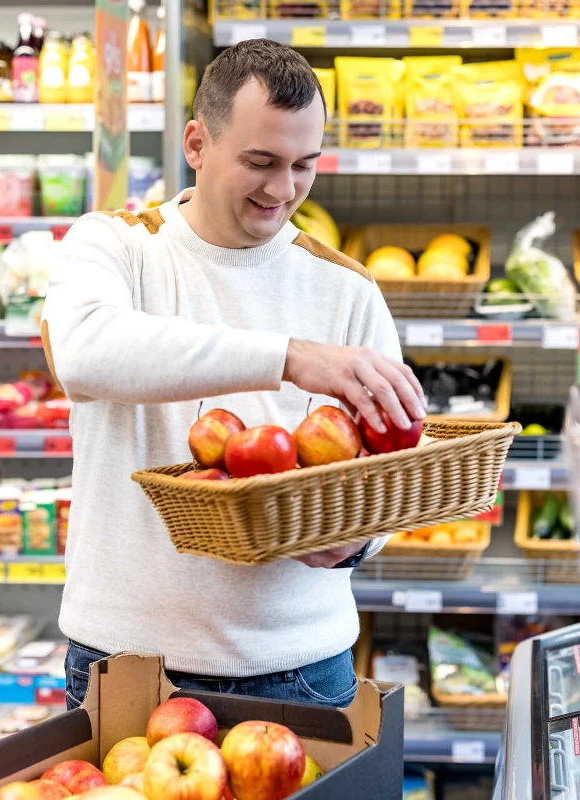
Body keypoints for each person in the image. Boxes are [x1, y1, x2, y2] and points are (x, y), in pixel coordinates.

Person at [42, 38, 426, 711]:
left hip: (301, 666)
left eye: (304, 166)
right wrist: (290, 356)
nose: (283, 190)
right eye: (260, 162)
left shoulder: (346, 288)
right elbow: (85, 353)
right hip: (129, 665)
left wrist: (358, 538)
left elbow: (397, 460)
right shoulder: (118, 245)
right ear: (196, 143)